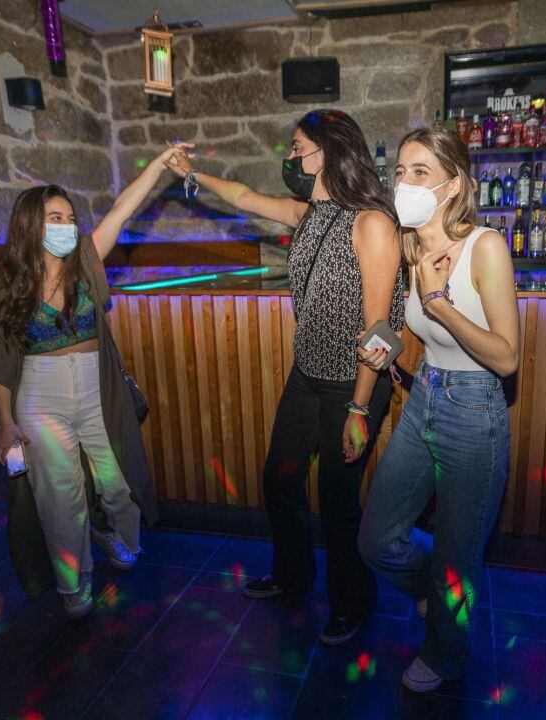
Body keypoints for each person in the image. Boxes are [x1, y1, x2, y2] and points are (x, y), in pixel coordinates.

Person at [166, 110, 404, 644]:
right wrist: (191, 172)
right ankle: (294, 576)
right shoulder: (310, 214)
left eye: (298, 148)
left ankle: (352, 603)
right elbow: (245, 196)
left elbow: (381, 330)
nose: (290, 158)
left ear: (329, 152)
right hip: (309, 373)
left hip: (354, 383)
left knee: (338, 499)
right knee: (282, 476)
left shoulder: (372, 222)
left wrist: (361, 410)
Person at [0, 145, 189, 618]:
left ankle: (118, 540)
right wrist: (5, 422)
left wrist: (159, 165)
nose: (64, 226)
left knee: (117, 480)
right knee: (60, 495)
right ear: (29, 226)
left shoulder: (85, 259)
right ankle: (73, 583)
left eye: (68, 217)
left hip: (95, 385)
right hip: (39, 394)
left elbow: (123, 208)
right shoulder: (2, 286)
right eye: (53, 218)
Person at [356, 126, 520, 692]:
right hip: (425, 395)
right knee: (376, 537)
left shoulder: (485, 246)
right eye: (400, 171)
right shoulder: (411, 247)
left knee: (459, 554)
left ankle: (448, 653)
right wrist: (385, 345)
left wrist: (440, 305)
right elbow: (417, 331)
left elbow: (506, 357)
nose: (404, 182)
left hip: (475, 412)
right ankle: (439, 590)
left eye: (420, 172)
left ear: (453, 185)